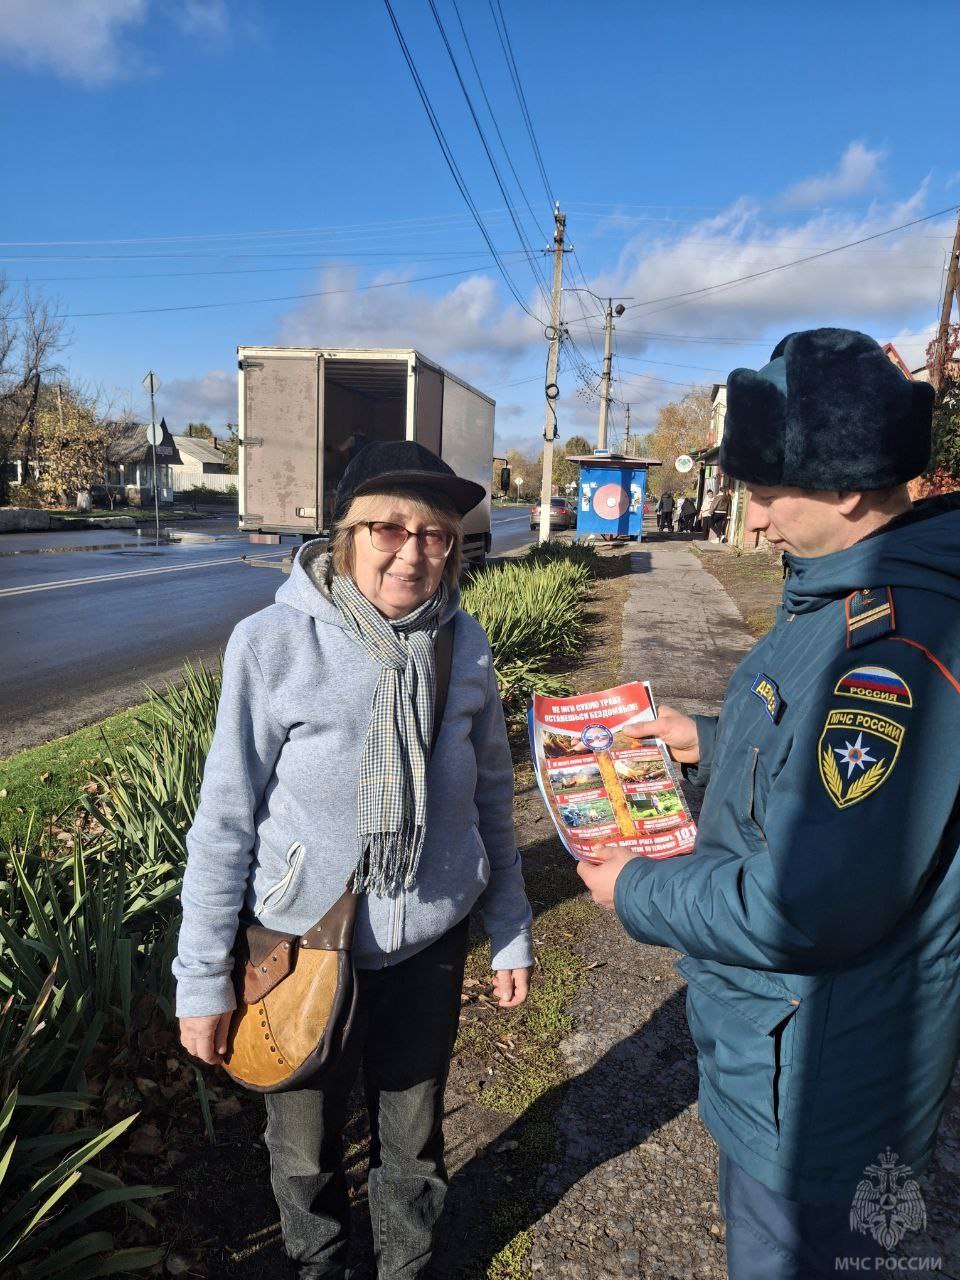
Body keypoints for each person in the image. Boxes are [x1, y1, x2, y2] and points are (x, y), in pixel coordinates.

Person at [577, 328, 960, 1279]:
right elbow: (817, 772)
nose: (750, 519)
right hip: (795, 1050)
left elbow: (806, 901)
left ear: (846, 487)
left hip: (821, 1086)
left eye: (764, 492)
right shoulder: (835, 599)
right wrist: (704, 737)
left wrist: (635, 891)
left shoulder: (890, 652)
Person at [175, 441, 533, 1280]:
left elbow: (492, 797)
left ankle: (406, 1268)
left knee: (412, 1145)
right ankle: (321, 1267)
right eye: (388, 528)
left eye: (435, 534)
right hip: (297, 951)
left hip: (427, 945)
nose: (412, 552)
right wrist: (201, 981)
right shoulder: (271, 644)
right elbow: (223, 820)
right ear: (345, 534)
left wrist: (511, 924)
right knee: (303, 1155)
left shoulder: (463, 642)